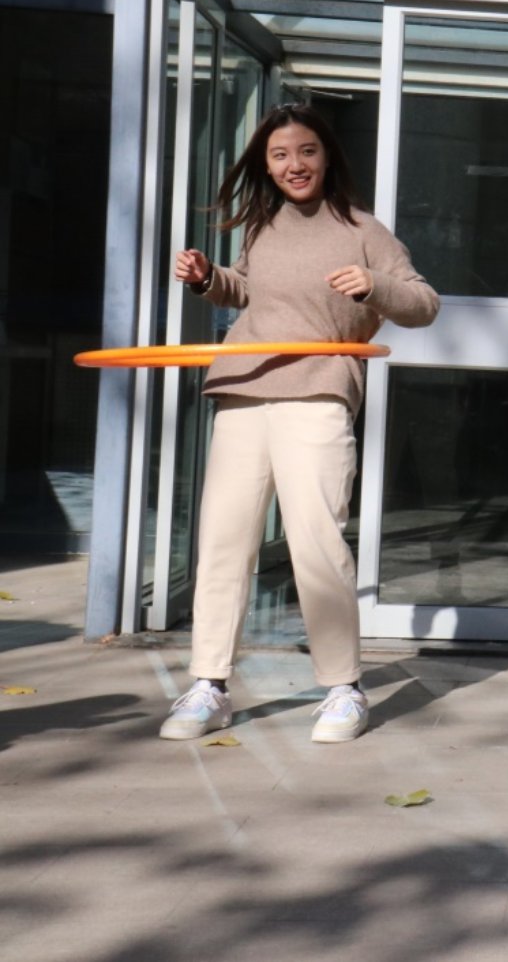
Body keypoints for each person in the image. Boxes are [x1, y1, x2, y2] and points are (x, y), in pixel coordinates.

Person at [158, 104, 439, 744]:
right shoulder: (263, 228)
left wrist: (374, 284)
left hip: (317, 389)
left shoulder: (364, 231)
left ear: (327, 156)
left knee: (316, 541)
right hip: (244, 390)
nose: (294, 165)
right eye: (280, 155)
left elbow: (424, 303)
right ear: (267, 165)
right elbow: (249, 291)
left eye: (306, 151)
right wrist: (208, 278)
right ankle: (209, 685)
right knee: (224, 542)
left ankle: (343, 689)